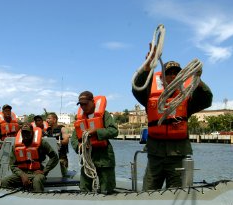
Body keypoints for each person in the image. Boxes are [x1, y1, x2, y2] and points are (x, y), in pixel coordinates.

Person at [132, 50, 213, 190]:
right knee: (148, 190)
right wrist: (147, 68)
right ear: (161, 77)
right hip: (155, 156)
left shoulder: (186, 98)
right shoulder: (149, 97)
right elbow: (137, 89)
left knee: (175, 192)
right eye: (168, 73)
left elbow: (206, 100)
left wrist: (197, 79)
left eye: (176, 73)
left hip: (177, 155)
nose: (172, 76)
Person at [70, 91, 118, 194]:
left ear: (92, 102)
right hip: (88, 158)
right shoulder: (80, 119)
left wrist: (97, 131)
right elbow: (73, 139)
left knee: (107, 189)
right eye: (81, 104)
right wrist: (78, 146)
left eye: (85, 103)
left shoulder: (104, 115)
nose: (83, 106)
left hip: (104, 158)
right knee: (84, 188)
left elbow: (114, 131)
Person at [1, 123, 59, 192]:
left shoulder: (42, 143)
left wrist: (44, 171)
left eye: (27, 132)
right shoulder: (16, 146)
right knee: (5, 181)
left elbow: (54, 157)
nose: (25, 134)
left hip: (37, 174)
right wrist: (22, 175)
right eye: (23, 132)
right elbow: (13, 165)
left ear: (32, 132)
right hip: (22, 173)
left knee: (37, 181)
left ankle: (38, 199)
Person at [46, 112, 69, 177]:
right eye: (47, 119)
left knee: (62, 176)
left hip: (61, 158)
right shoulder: (47, 130)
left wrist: (56, 142)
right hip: (51, 159)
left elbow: (66, 140)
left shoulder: (62, 129)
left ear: (54, 119)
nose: (47, 120)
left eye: (49, 118)